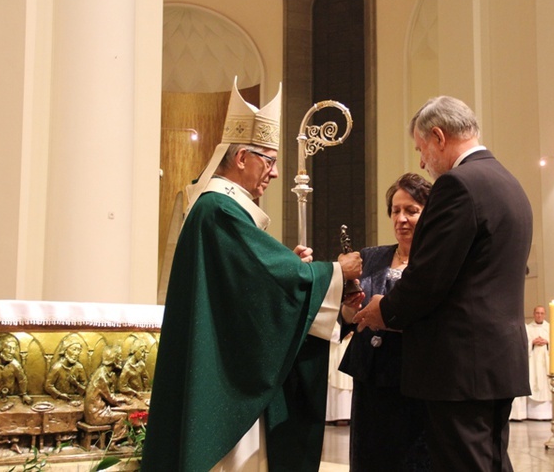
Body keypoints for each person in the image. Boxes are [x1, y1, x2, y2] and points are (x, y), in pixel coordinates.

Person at [141, 79, 362, 472]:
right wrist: (332, 272)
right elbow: (259, 282)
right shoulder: (219, 209)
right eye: (269, 161)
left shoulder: (220, 209)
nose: (274, 173)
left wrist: (291, 272)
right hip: (229, 382)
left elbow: (245, 290)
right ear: (242, 157)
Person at [353, 96, 533, 471]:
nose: (422, 162)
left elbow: (428, 278)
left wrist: (382, 310)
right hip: (497, 361)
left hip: (459, 367)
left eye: (421, 150)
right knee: (492, 463)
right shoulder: (507, 182)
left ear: (438, 137)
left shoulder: (458, 185)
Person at [338, 172, 433, 471]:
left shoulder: (434, 263)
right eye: (395, 210)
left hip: (414, 381)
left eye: (411, 211)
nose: (401, 219)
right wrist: (348, 312)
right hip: (370, 379)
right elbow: (348, 318)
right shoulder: (371, 257)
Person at [83, 345, 129, 445]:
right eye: (119, 357)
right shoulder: (101, 377)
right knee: (123, 416)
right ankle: (113, 443)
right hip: (96, 415)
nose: (121, 360)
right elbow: (110, 399)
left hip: (97, 411)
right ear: (114, 359)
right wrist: (123, 400)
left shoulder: (102, 372)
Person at [524, 305, 554, 419]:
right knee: (533, 381)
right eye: (537, 313)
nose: (539, 315)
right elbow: (524, 343)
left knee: (546, 382)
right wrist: (532, 342)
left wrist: (547, 342)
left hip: (547, 361)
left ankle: (548, 414)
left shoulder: (551, 328)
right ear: (534, 314)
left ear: (545, 315)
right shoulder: (528, 328)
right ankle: (533, 414)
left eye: (541, 313)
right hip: (533, 360)